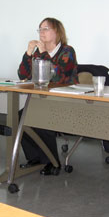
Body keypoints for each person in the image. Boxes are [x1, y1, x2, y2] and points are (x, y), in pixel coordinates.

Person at [18, 17, 79, 175]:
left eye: (46, 29)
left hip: (65, 100)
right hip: (43, 99)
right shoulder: (38, 53)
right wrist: (28, 53)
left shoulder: (67, 51)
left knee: (42, 117)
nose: (41, 33)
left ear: (57, 32)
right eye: (40, 29)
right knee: (20, 116)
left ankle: (52, 162)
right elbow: (22, 74)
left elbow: (56, 76)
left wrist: (44, 54)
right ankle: (35, 158)